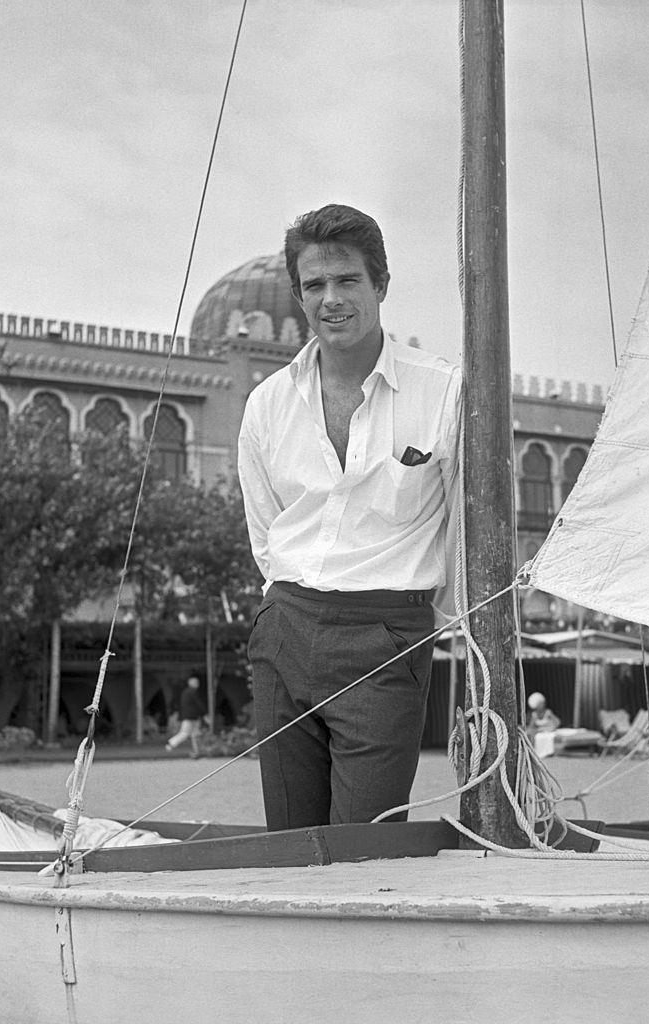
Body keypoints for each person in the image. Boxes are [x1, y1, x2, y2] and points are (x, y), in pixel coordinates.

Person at [237, 203, 461, 831]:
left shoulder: (441, 391)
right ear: (297, 296)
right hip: (285, 631)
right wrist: (280, 614)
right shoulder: (267, 405)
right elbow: (266, 530)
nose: (331, 300)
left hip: (386, 638)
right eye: (314, 285)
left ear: (380, 286)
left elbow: (466, 531)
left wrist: (431, 629)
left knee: (366, 845)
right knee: (289, 843)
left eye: (347, 281)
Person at [166, 675, 205, 757]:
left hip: (190, 717)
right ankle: (170, 744)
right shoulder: (192, 692)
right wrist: (204, 714)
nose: (198, 684)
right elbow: (198, 704)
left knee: (195, 734)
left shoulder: (186, 692)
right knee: (185, 733)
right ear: (191, 683)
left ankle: (196, 751)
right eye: (196, 682)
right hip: (190, 717)